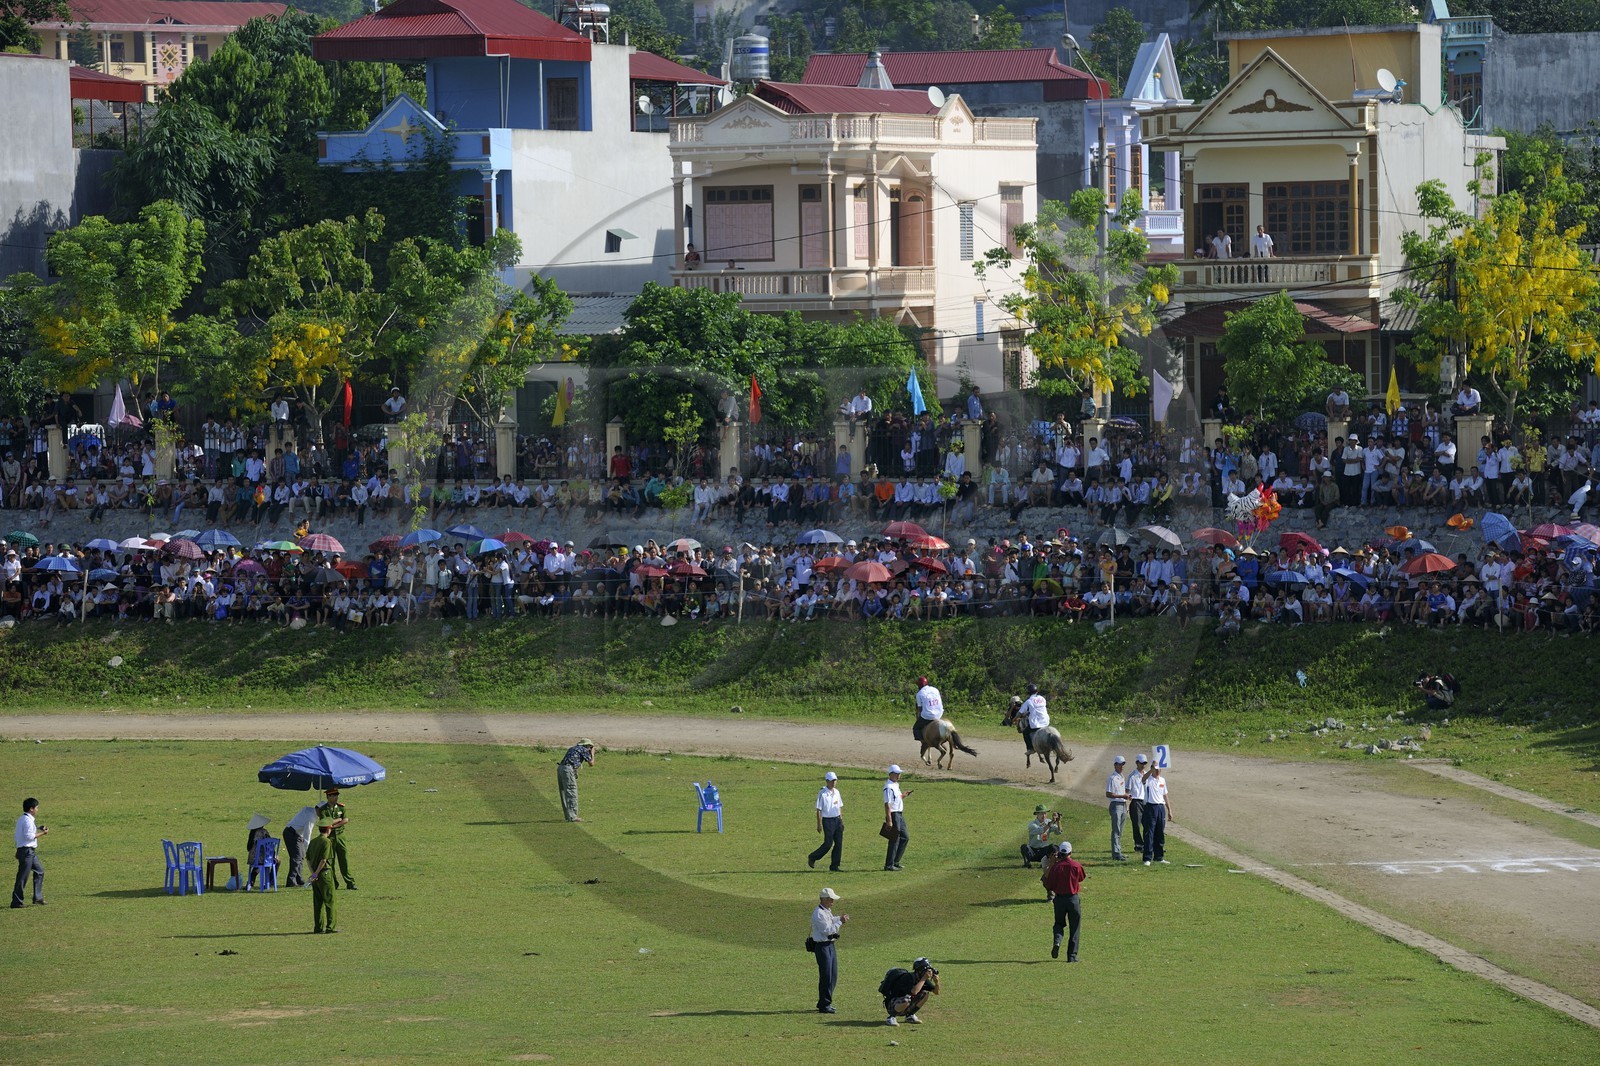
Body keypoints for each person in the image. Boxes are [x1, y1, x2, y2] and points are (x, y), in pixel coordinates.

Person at [1044, 841, 1086, 960]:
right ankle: (1072, 956)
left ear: (1060, 853)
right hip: (1073, 899)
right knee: (1075, 927)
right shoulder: (1076, 865)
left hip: (1059, 899)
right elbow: (1081, 877)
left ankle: (1057, 941)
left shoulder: (1056, 867)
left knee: (1059, 923)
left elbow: (1049, 885)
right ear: (1070, 852)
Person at [810, 887, 849, 1013]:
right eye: (831, 899)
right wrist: (840, 922)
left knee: (832, 975)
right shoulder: (819, 913)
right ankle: (824, 1004)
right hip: (822, 946)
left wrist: (838, 919)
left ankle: (825, 1001)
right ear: (824, 899)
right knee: (826, 976)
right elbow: (827, 930)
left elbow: (830, 921)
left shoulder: (825, 911)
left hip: (829, 945)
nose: (833, 901)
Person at [314, 787, 356, 890]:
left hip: (340, 836)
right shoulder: (323, 809)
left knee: (344, 860)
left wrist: (333, 825)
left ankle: (350, 882)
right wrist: (338, 819)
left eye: (337, 795)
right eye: (334, 795)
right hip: (330, 837)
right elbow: (326, 822)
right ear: (328, 796)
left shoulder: (341, 807)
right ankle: (333, 883)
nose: (336, 797)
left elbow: (346, 820)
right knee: (330, 861)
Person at [882, 956, 939, 1025]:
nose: (928, 972)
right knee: (906, 999)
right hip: (892, 1005)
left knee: (925, 994)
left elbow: (936, 992)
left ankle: (910, 1016)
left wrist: (937, 982)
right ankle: (891, 1018)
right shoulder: (909, 977)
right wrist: (924, 978)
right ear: (920, 970)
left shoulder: (922, 978)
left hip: (904, 1005)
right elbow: (914, 992)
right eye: (926, 970)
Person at [305, 816, 338, 933]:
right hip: (324, 874)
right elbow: (324, 860)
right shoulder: (326, 842)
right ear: (329, 829)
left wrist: (313, 874)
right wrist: (317, 873)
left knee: (318, 902)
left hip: (315, 876)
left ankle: (318, 927)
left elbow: (308, 859)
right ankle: (330, 927)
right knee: (329, 901)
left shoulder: (313, 842)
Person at [13, 797, 46, 908]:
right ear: (31, 809)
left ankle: (38, 898)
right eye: (36, 807)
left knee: (39, 871)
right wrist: (43, 833)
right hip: (27, 851)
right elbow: (29, 836)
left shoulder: (23, 819)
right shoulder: (27, 820)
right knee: (23, 877)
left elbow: (21, 834)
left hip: (27, 851)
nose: (37, 809)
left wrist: (39, 828)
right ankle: (16, 902)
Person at [808, 771, 845, 871]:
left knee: (839, 843)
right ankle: (813, 857)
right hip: (828, 821)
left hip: (837, 819)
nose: (833, 783)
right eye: (831, 781)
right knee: (828, 843)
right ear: (827, 781)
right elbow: (819, 809)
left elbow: (839, 807)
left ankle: (835, 865)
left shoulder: (837, 792)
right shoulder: (823, 793)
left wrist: (841, 821)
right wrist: (819, 824)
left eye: (834, 781)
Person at [557, 739, 597, 823]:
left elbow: (572, 760)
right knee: (571, 792)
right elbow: (591, 764)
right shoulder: (584, 749)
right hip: (568, 770)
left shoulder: (573, 748)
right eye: (591, 747)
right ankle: (573, 817)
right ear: (587, 746)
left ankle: (568, 816)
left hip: (561, 768)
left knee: (564, 793)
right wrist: (592, 754)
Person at [1142, 762, 1172, 865]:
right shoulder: (1148, 779)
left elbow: (1165, 795)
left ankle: (1159, 857)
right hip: (1151, 806)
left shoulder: (1162, 780)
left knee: (1160, 832)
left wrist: (1169, 810)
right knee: (1149, 833)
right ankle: (1147, 858)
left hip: (1160, 807)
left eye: (1159, 769)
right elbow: (1143, 779)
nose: (1158, 771)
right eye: (1156, 769)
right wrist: (1151, 769)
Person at [282, 804, 318, 888]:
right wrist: (308, 851)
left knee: (300, 857)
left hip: (296, 834)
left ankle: (299, 879)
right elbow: (307, 836)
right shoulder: (311, 818)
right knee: (297, 858)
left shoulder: (310, 810)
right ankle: (291, 881)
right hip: (291, 834)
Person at [883, 764, 909, 871]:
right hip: (894, 814)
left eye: (899, 774)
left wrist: (903, 796)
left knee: (905, 837)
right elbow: (887, 804)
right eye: (897, 774)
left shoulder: (895, 785)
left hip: (899, 814)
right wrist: (889, 820)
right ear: (891, 774)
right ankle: (889, 865)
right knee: (894, 840)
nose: (899, 775)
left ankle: (895, 861)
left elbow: (895, 799)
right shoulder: (888, 787)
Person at [1106, 755, 1130, 861]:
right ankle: (1116, 853)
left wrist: (1126, 799)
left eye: (1123, 764)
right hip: (1116, 805)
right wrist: (1122, 796)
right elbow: (1108, 794)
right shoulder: (1112, 778)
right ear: (1115, 765)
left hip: (1123, 804)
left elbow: (1122, 791)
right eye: (1120, 764)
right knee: (1116, 830)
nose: (1122, 766)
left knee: (1120, 830)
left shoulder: (1121, 777)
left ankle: (1118, 851)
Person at [1021, 804, 1058, 868]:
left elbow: (1058, 832)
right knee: (1024, 847)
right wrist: (1051, 823)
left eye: (1045, 813)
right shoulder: (1032, 825)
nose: (1044, 816)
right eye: (1041, 814)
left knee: (1054, 847)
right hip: (1033, 851)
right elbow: (1041, 830)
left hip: (1044, 851)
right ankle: (1027, 862)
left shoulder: (1048, 821)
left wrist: (1058, 821)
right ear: (1037, 814)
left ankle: (1046, 862)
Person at [1126, 754, 1148, 856]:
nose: (1143, 765)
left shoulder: (1147, 775)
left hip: (1145, 802)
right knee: (1137, 825)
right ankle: (1139, 845)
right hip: (1135, 801)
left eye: (1145, 763)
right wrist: (1127, 805)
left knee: (1147, 824)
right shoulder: (1132, 776)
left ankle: (1147, 844)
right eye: (1141, 763)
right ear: (1137, 763)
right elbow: (1127, 791)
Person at [1018, 682, 1048, 754]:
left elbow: (1020, 713)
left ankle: (1030, 748)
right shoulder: (1043, 699)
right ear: (1037, 691)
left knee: (1025, 732)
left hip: (1036, 724)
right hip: (1045, 722)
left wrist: (1014, 718)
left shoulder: (1028, 701)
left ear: (1028, 693)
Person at [912, 675, 944, 742]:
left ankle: (924, 741)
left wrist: (918, 717)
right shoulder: (935, 689)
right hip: (939, 713)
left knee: (916, 728)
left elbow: (919, 709)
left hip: (928, 716)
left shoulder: (919, 694)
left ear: (919, 685)